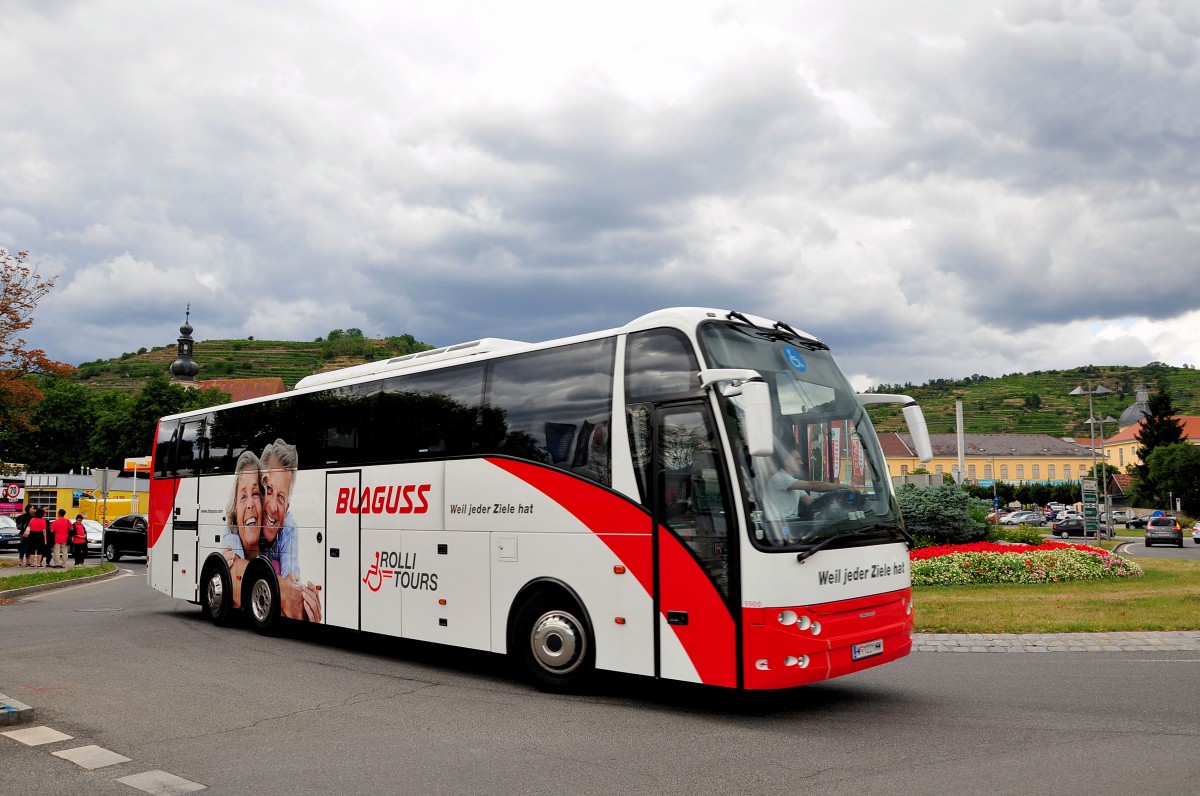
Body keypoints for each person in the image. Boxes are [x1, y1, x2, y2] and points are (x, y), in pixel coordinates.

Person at [260, 439, 320, 623]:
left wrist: (302, 600)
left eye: (280, 497)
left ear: (287, 507)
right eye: (269, 490)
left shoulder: (289, 527)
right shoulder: (238, 519)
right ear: (259, 490)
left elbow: (291, 575)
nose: (272, 507)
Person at [221, 450, 265, 608]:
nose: (250, 504)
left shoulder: (276, 549)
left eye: (255, 493)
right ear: (235, 511)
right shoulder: (231, 537)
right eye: (243, 496)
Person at [765, 446, 855, 520]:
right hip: (779, 527)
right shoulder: (780, 478)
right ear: (787, 461)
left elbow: (811, 503)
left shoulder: (793, 482)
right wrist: (842, 486)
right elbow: (813, 485)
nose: (801, 462)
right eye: (797, 459)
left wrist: (837, 506)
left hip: (791, 524)